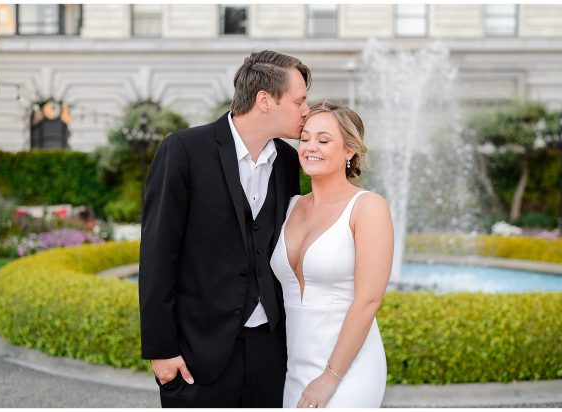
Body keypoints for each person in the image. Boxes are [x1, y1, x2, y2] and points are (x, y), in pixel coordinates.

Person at [139, 50, 309, 407]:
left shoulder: (288, 162)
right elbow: (157, 254)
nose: (306, 111)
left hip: (269, 352)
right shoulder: (184, 150)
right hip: (198, 353)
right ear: (265, 100)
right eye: (300, 101)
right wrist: (161, 350)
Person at [271, 101, 392, 408]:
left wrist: (330, 377)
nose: (311, 147)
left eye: (323, 140)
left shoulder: (367, 207)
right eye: (305, 138)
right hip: (293, 368)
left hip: (349, 369)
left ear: (350, 150)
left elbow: (368, 301)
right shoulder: (291, 205)